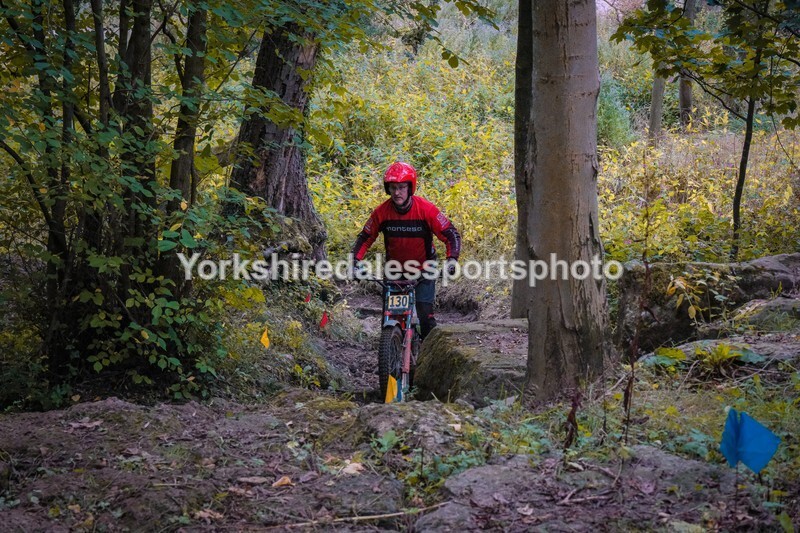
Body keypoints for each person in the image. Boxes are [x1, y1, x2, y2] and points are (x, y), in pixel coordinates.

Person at [351, 161, 461, 339]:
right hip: (394, 270)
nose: (397, 192)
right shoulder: (381, 212)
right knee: (389, 316)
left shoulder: (426, 210)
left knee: (425, 315)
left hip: (424, 269)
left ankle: (429, 351)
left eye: (402, 187)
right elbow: (365, 237)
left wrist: (452, 260)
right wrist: (354, 262)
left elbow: (450, 234)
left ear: (410, 188)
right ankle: (391, 347)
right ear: (388, 189)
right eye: (393, 188)